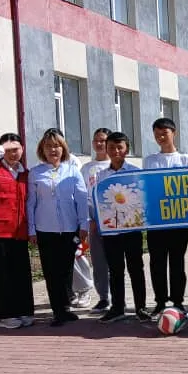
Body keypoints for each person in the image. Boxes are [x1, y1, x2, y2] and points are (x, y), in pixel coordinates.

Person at [26, 128, 89, 327]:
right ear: (42, 149)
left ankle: (65, 307)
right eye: (49, 146)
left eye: (57, 146)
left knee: (67, 269)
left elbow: (81, 199)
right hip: (45, 229)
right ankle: (58, 310)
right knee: (51, 271)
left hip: (70, 229)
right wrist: (31, 229)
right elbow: (31, 203)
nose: (53, 150)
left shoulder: (72, 171)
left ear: (63, 149)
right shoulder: (35, 173)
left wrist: (84, 224)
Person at [0, 133, 34, 330]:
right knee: (0, 274)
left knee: (21, 273)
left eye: (16, 149)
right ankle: (4, 314)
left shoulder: (25, 173)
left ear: (22, 150)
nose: (13, 153)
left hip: (19, 231)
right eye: (8, 150)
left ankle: (23, 310)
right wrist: (1, 148)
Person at [96, 132, 150, 323]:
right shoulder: (101, 175)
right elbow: (97, 200)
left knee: (136, 268)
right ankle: (117, 307)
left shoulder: (135, 171)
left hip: (132, 228)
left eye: (120, 147)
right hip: (111, 230)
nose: (116, 151)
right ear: (106, 149)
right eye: (111, 147)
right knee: (115, 269)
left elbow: (143, 198)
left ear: (127, 149)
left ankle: (141, 307)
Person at [143, 118, 188, 315]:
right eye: (157, 134)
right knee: (156, 262)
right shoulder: (150, 160)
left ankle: (178, 301)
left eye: (164, 133)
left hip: (178, 220)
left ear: (174, 133)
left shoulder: (185, 160)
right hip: (156, 221)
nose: (161, 137)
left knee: (177, 262)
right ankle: (160, 301)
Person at [80, 128, 112, 312]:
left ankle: (118, 298)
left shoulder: (115, 166)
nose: (100, 144)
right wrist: (87, 220)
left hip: (116, 221)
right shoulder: (86, 168)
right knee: (98, 261)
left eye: (104, 140)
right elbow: (81, 196)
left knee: (115, 261)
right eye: (97, 140)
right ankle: (104, 297)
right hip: (94, 220)